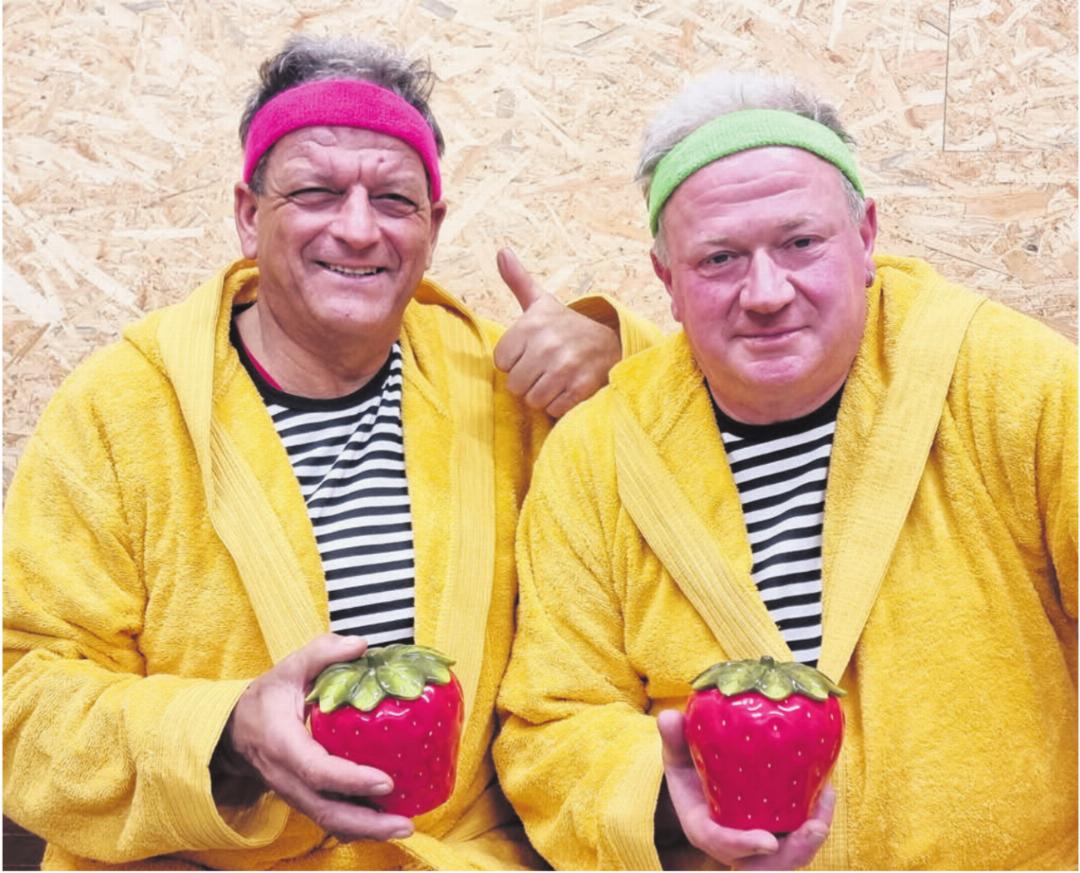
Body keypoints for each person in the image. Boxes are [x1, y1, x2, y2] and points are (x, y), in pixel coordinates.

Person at [2, 36, 659, 870]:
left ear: (434, 226)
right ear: (248, 213)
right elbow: (21, 706)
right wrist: (229, 732)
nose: (357, 229)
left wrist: (618, 359)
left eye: (394, 199)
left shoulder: (509, 387)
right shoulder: (117, 411)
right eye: (315, 192)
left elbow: (693, 475)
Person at [494, 69, 1077, 870]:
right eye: (720, 259)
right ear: (666, 281)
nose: (766, 293)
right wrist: (675, 805)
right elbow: (551, 728)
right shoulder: (594, 459)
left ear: (866, 235)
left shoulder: (1013, 382)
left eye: (801, 243)